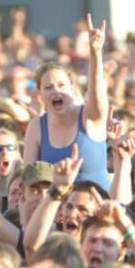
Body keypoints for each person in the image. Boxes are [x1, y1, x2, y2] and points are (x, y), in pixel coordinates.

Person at [23, 14, 110, 192]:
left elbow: (97, 93)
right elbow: (30, 182)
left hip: (97, 211)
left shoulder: (90, 116)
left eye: (62, 85)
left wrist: (95, 53)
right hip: (57, 212)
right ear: (39, 95)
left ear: (72, 89)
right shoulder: (37, 127)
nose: (56, 91)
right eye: (48, 87)